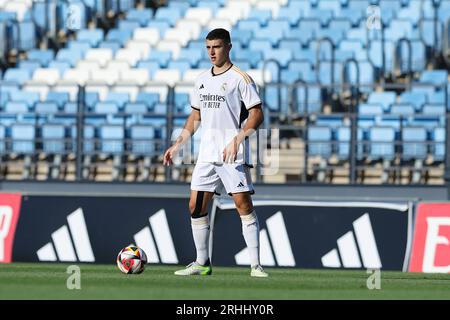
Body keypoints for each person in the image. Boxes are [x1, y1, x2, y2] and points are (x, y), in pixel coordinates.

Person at [163, 28, 268, 277]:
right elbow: (195, 115)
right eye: (208, 47)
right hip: (207, 153)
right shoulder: (201, 79)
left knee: (243, 204)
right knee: (195, 206)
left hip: (232, 152)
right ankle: (202, 263)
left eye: (217, 47)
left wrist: (239, 138)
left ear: (228, 47)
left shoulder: (240, 78)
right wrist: (178, 143)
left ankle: (255, 265)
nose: (212, 52)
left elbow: (257, 114)